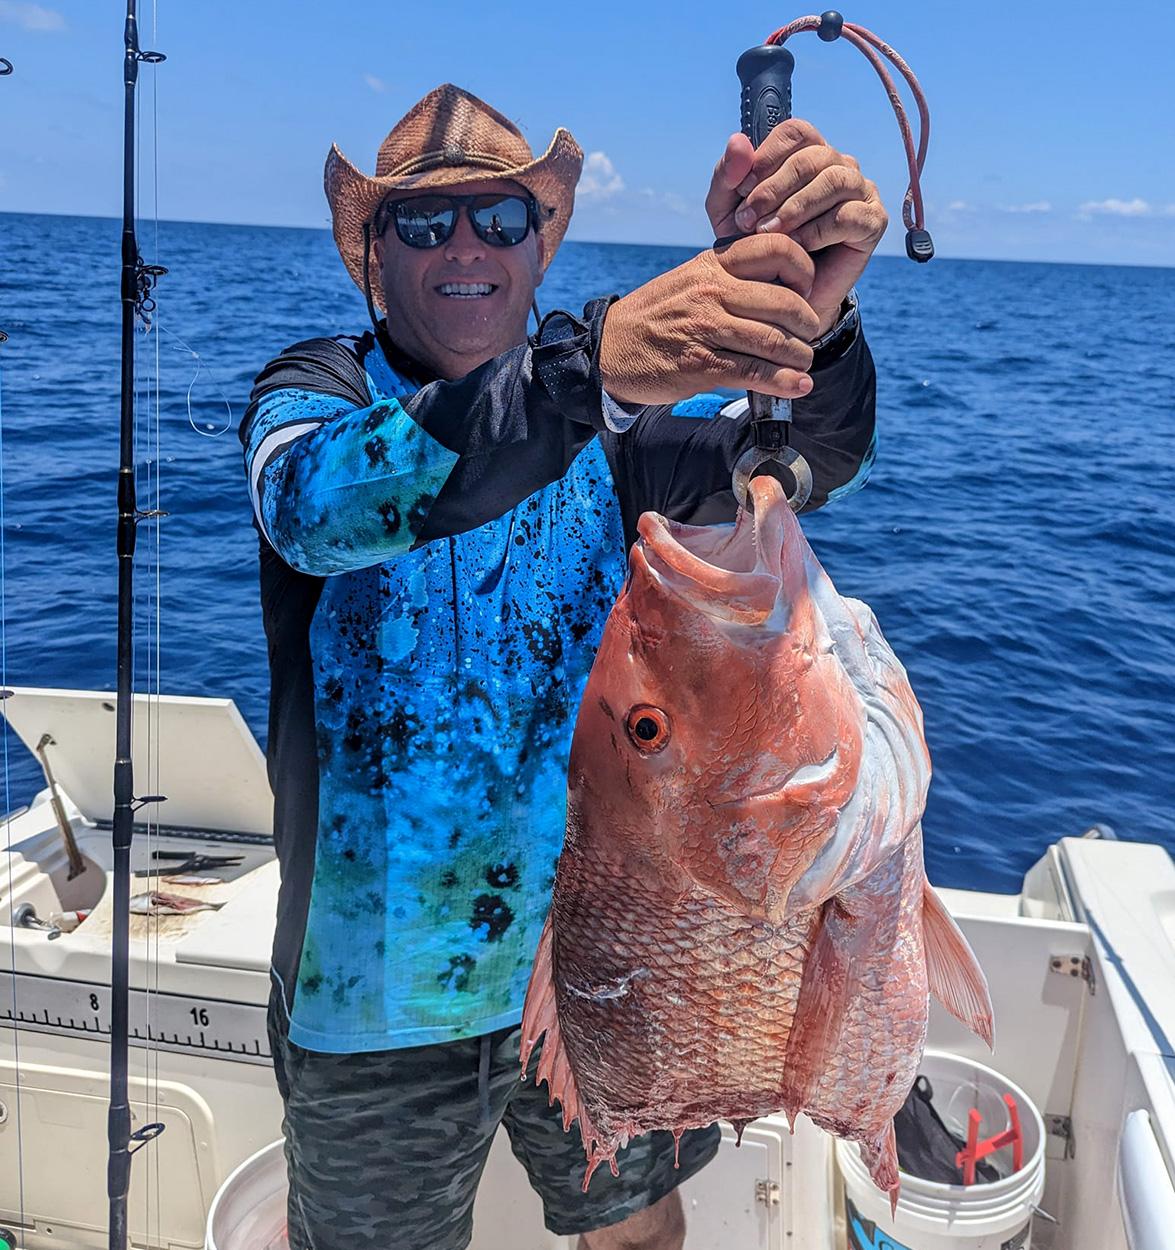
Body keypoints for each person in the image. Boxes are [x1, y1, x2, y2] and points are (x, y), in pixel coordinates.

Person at [240, 83, 886, 1250]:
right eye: (424, 224)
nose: (466, 248)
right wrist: (589, 369)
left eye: (499, 218)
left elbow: (802, 461)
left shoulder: (612, 421)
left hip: (604, 946)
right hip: (370, 994)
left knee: (635, 1228)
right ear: (373, 255)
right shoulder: (317, 393)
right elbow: (314, 506)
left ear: (541, 242)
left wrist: (814, 317)